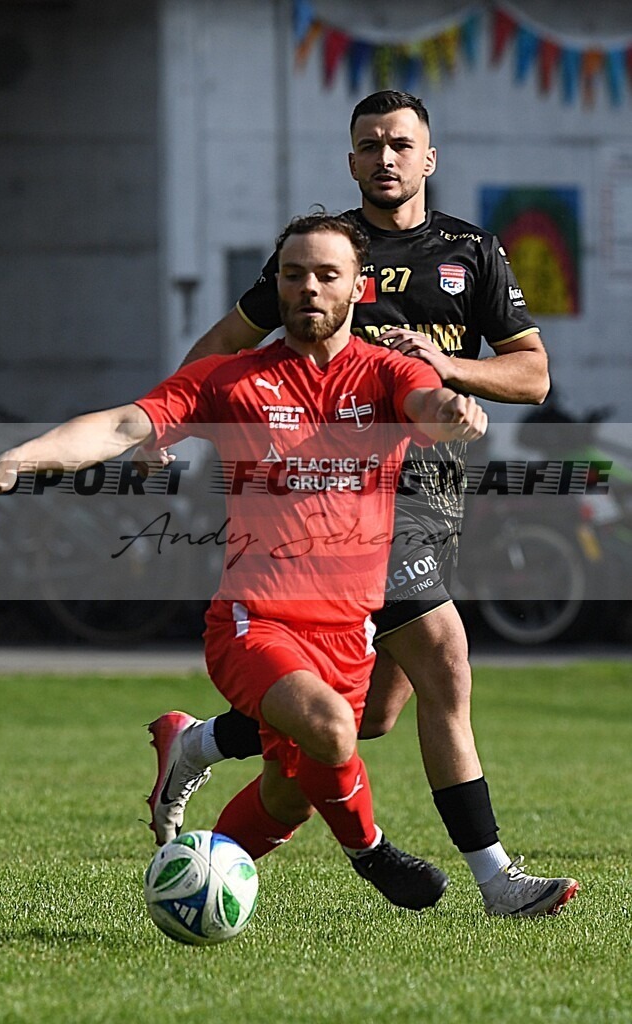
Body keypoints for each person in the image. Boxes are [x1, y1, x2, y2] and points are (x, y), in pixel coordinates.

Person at [0, 213, 488, 911]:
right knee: (333, 729)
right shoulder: (231, 381)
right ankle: (372, 854)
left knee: (289, 800)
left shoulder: (387, 373)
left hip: (347, 635)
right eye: (293, 274)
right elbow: (121, 424)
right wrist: (20, 459)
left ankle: (184, 885)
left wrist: (454, 410)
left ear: (358, 289)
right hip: (253, 623)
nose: (308, 288)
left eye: (326, 275)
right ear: (275, 285)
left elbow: (428, 402)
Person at [145, 91, 579, 917]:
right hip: (348, 505)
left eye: (399, 144)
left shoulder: (468, 252)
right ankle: (495, 880)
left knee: (370, 716)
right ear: (350, 160)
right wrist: (173, 418)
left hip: (435, 498)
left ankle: (198, 741)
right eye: (368, 145)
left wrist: (446, 370)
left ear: (428, 157)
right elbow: (223, 348)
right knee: (446, 659)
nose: (384, 157)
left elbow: (532, 374)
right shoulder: (323, 257)